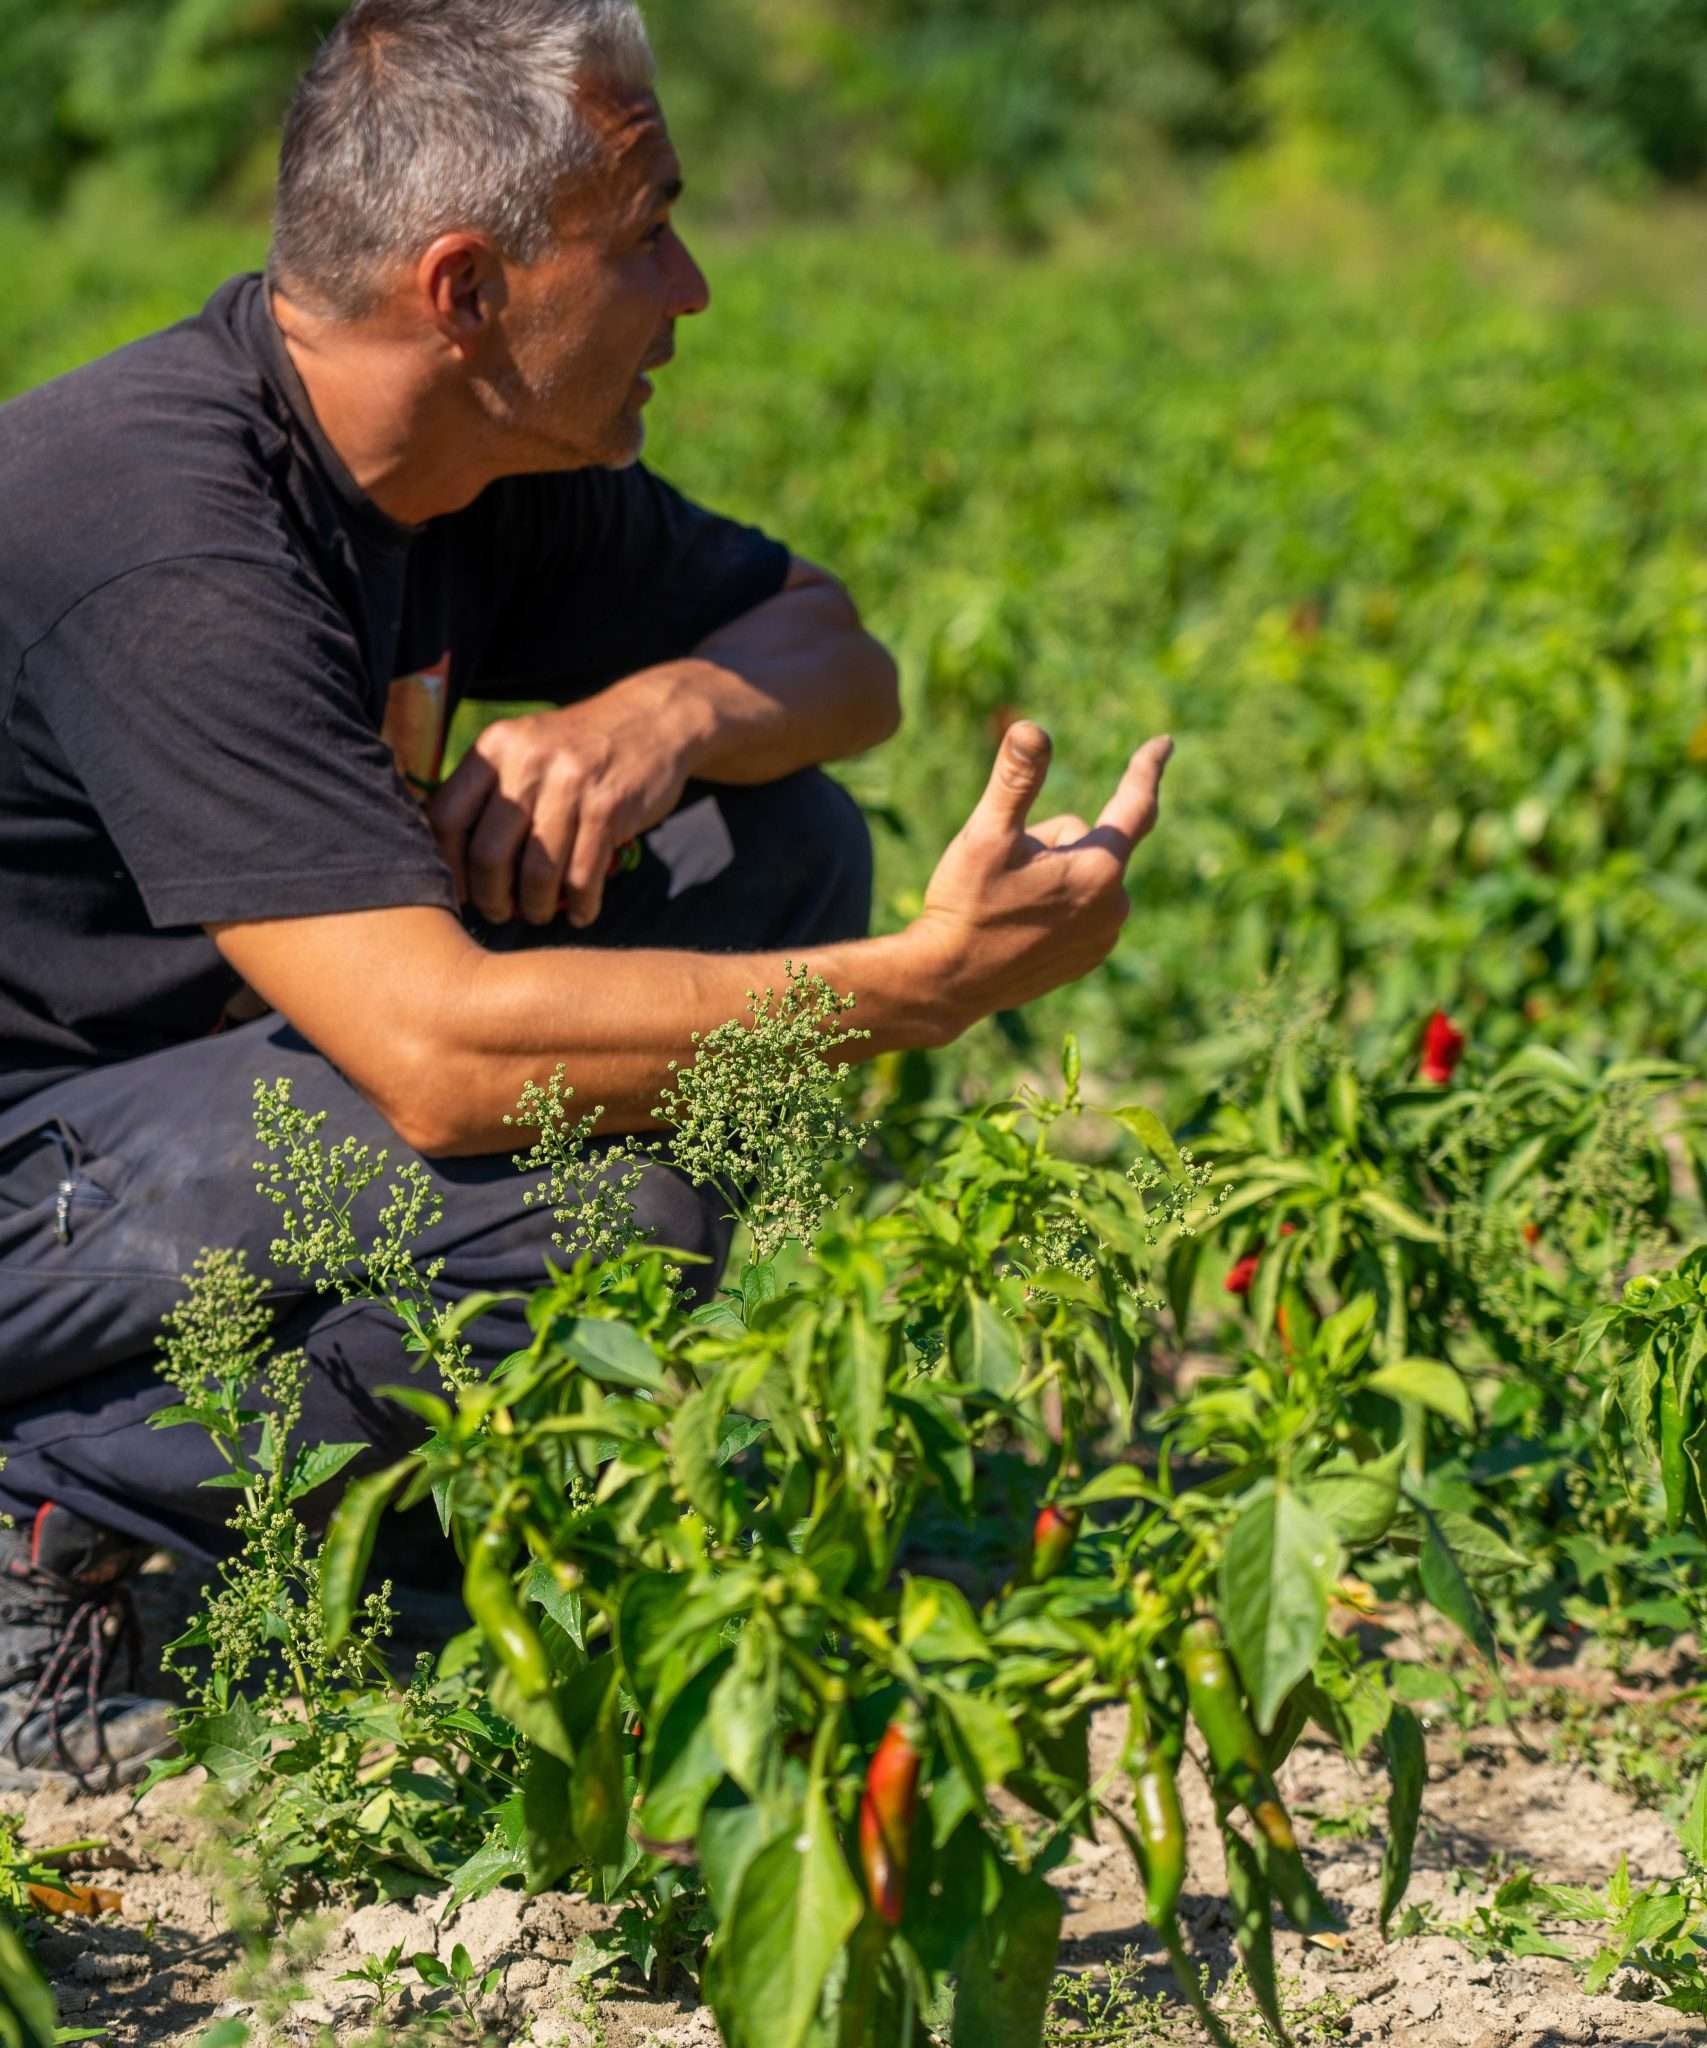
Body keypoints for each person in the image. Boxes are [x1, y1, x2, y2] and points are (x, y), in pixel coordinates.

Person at [0, 0, 1172, 1786]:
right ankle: (53, 1526)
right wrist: (929, 985)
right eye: (646, 237)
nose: (692, 290)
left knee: (777, 846)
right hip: (35, 1160)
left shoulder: (470, 463)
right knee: (601, 1213)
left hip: (186, 1096)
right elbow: (444, 1062)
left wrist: (669, 712)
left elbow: (845, 658)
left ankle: (382, 1527)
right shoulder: (161, 528)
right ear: (466, 291)